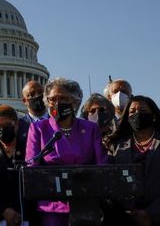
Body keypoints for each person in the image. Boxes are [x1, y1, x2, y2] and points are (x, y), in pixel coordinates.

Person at [26, 78, 108, 226]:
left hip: (86, 203)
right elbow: (32, 167)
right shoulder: (38, 129)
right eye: (52, 99)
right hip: (53, 206)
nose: (57, 103)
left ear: (74, 101)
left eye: (63, 98)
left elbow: (102, 165)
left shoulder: (90, 129)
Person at [106, 95, 160, 226]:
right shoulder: (116, 146)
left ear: (154, 115)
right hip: (126, 218)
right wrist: (131, 211)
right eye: (132, 111)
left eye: (143, 111)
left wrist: (151, 214)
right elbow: (110, 181)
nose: (137, 114)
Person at [0, 105, 36, 226]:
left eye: (8, 125)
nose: (3, 130)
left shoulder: (29, 150)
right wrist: (3, 211)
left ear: (17, 125)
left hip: (27, 217)